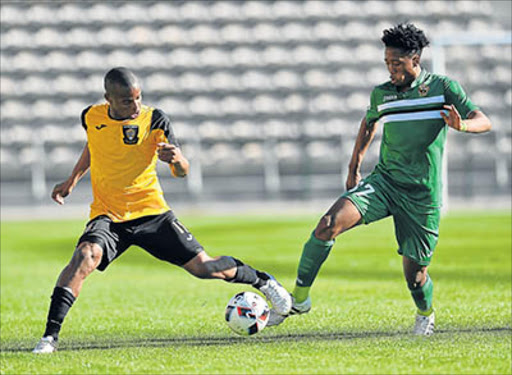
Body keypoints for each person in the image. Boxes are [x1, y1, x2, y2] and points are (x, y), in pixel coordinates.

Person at [33, 67, 292, 353]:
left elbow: (182, 171)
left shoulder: (155, 119)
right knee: (84, 256)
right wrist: (72, 180)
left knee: (205, 268)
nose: (135, 106)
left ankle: (262, 281)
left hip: (151, 213)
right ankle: (49, 338)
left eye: (138, 98)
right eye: (127, 101)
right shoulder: (91, 117)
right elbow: (95, 146)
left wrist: (178, 159)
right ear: (108, 99)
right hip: (109, 215)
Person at [268, 23, 491, 335]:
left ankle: (425, 313)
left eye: (396, 63)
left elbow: (484, 121)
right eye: (387, 63)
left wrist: (462, 126)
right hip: (384, 183)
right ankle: (299, 300)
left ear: (415, 59)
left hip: (422, 195)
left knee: (415, 274)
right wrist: (354, 165)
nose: (390, 69)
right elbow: (369, 122)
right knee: (327, 225)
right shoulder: (382, 93)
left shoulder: (443, 87)